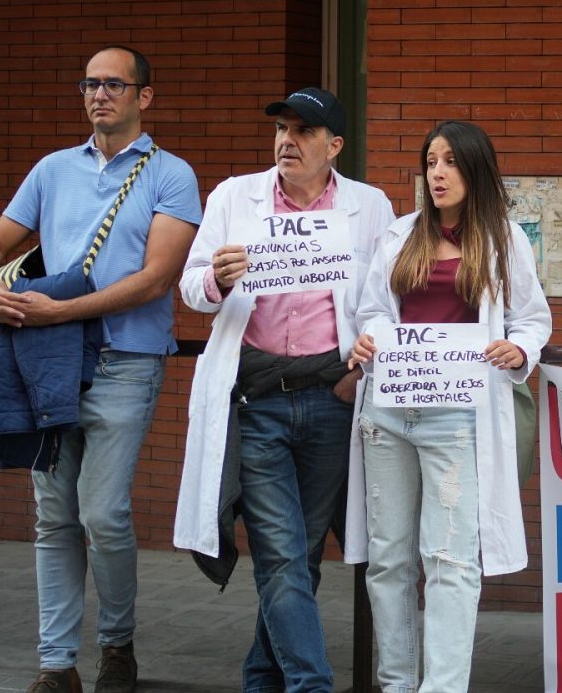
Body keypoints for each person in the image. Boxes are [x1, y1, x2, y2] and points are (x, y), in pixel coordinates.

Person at [0, 46, 201, 693]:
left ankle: (116, 646)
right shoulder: (52, 170)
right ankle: (56, 663)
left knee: (103, 514)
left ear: (143, 96)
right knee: (53, 516)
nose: (100, 95)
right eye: (91, 84)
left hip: (126, 361)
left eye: (114, 85)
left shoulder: (170, 174)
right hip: (51, 362)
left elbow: (155, 281)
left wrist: (58, 311)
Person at [172, 88, 393, 693]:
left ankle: (260, 679)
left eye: (302, 131)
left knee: (300, 556)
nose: (286, 141)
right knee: (282, 554)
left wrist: (355, 373)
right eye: (281, 130)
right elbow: (191, 286)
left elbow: (384, 299)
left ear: (335, 145)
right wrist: (215, 279)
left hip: (330, 398)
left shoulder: (370, 207)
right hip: (256, 399)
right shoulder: (233, 196)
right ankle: (310, 683)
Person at [346, 121, 551, 692]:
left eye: (450, 162)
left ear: (475, 169)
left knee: (450, 561)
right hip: (388, 412)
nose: (437, 173)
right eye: (431, 162)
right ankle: (396, 684)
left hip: (459, 420)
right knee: (388, 562)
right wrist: (368, 339)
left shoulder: (503, 239)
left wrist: (521, 348)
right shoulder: (400, 234)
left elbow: (533, 319)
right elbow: (373, 312)